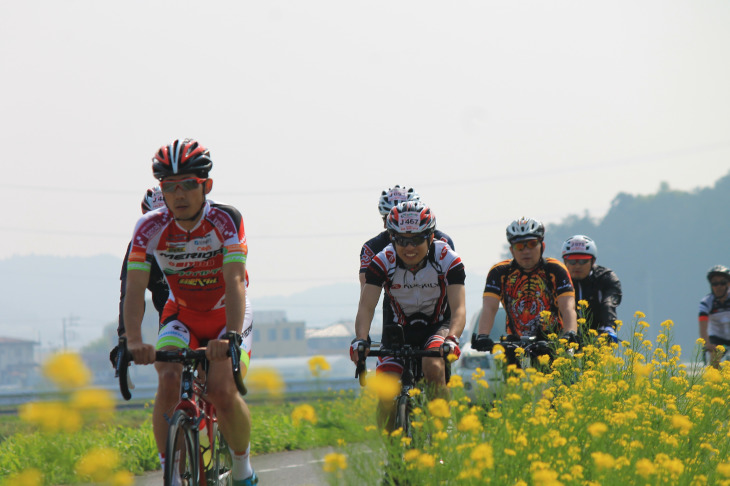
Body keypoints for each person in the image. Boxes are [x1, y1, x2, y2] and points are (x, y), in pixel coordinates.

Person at [123, 138, 257, 486]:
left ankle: (243, 471)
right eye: (169, 187)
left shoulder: (226, 220)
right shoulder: (148, 228)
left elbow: (235, 282)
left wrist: (229, 336)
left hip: (227, 312)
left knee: (221, 389)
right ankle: (170, 471)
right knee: (167, 375)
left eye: (188, 185)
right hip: (181, 314)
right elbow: (134, 290)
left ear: (206, 186)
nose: (178, 195)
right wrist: (134, 340)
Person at [351, 201, 466, 429]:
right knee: (386, 389)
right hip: (398, 328)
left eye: (416, 239)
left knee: (432, 366)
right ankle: (393, 457)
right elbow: (366, 307)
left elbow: (459, 308)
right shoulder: (382, 261)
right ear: (392, 238)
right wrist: (360, 339)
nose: (409, 247)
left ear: (431, 237)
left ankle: (444, 430)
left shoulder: (448, 259)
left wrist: (452, 338)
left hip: (436, 325)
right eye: (401, 240)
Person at [473, 217, 578, 358]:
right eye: (519, 246)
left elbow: (567, 307)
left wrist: (570, 333)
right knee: (512, 378)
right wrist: (483, 335)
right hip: (514, 342)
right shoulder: (499, 272)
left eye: (532, 244)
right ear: (511, 249)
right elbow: (489, 308)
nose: (526, 251)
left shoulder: (556, 269)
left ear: (543, 246)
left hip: (553, 340)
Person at [359, 185, 454, 289]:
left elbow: (452, 284)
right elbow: (365, 287)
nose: (398, 226)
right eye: (389, 219)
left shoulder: (442, 240)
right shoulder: (372, 247)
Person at [116, 186, 169, 338]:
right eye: (152, 221)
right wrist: (126, 335)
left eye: (167, 219)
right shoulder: (139, 243)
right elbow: (129, 292)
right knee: (168, 354)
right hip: (169, 309)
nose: (160, 228)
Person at [561, 235, 622, 343]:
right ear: (565, 262)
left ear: (593, 261)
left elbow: (609, 303)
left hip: (596, 337)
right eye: (572, 261)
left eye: (583, 261)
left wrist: (609, 327)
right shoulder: (557, 279)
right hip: (565, 337)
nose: (577, 266)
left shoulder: (605, 278)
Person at [698, 265, 730, 365]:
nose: (719, 287)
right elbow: (703, 324)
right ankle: (714, 379)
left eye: (722, 283)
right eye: (715, 284)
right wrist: (706, 343)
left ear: (728, 284)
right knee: (714, 360)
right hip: (717, 337)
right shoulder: (706, 302)